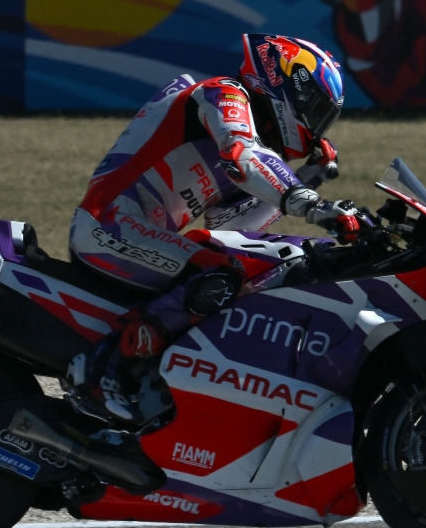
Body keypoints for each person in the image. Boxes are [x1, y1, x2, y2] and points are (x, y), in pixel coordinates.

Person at [65, 33, 357, 427]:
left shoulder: (244, 133)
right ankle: (104, 372)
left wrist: (309, 177)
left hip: (137, 234)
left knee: (240, 264)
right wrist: (312, 204)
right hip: (110, 224)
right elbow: (245, 155)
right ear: (289, 88)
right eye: (317, 110)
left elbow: (230, 227)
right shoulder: (224, 94)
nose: (318, 127)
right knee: (220, 273)